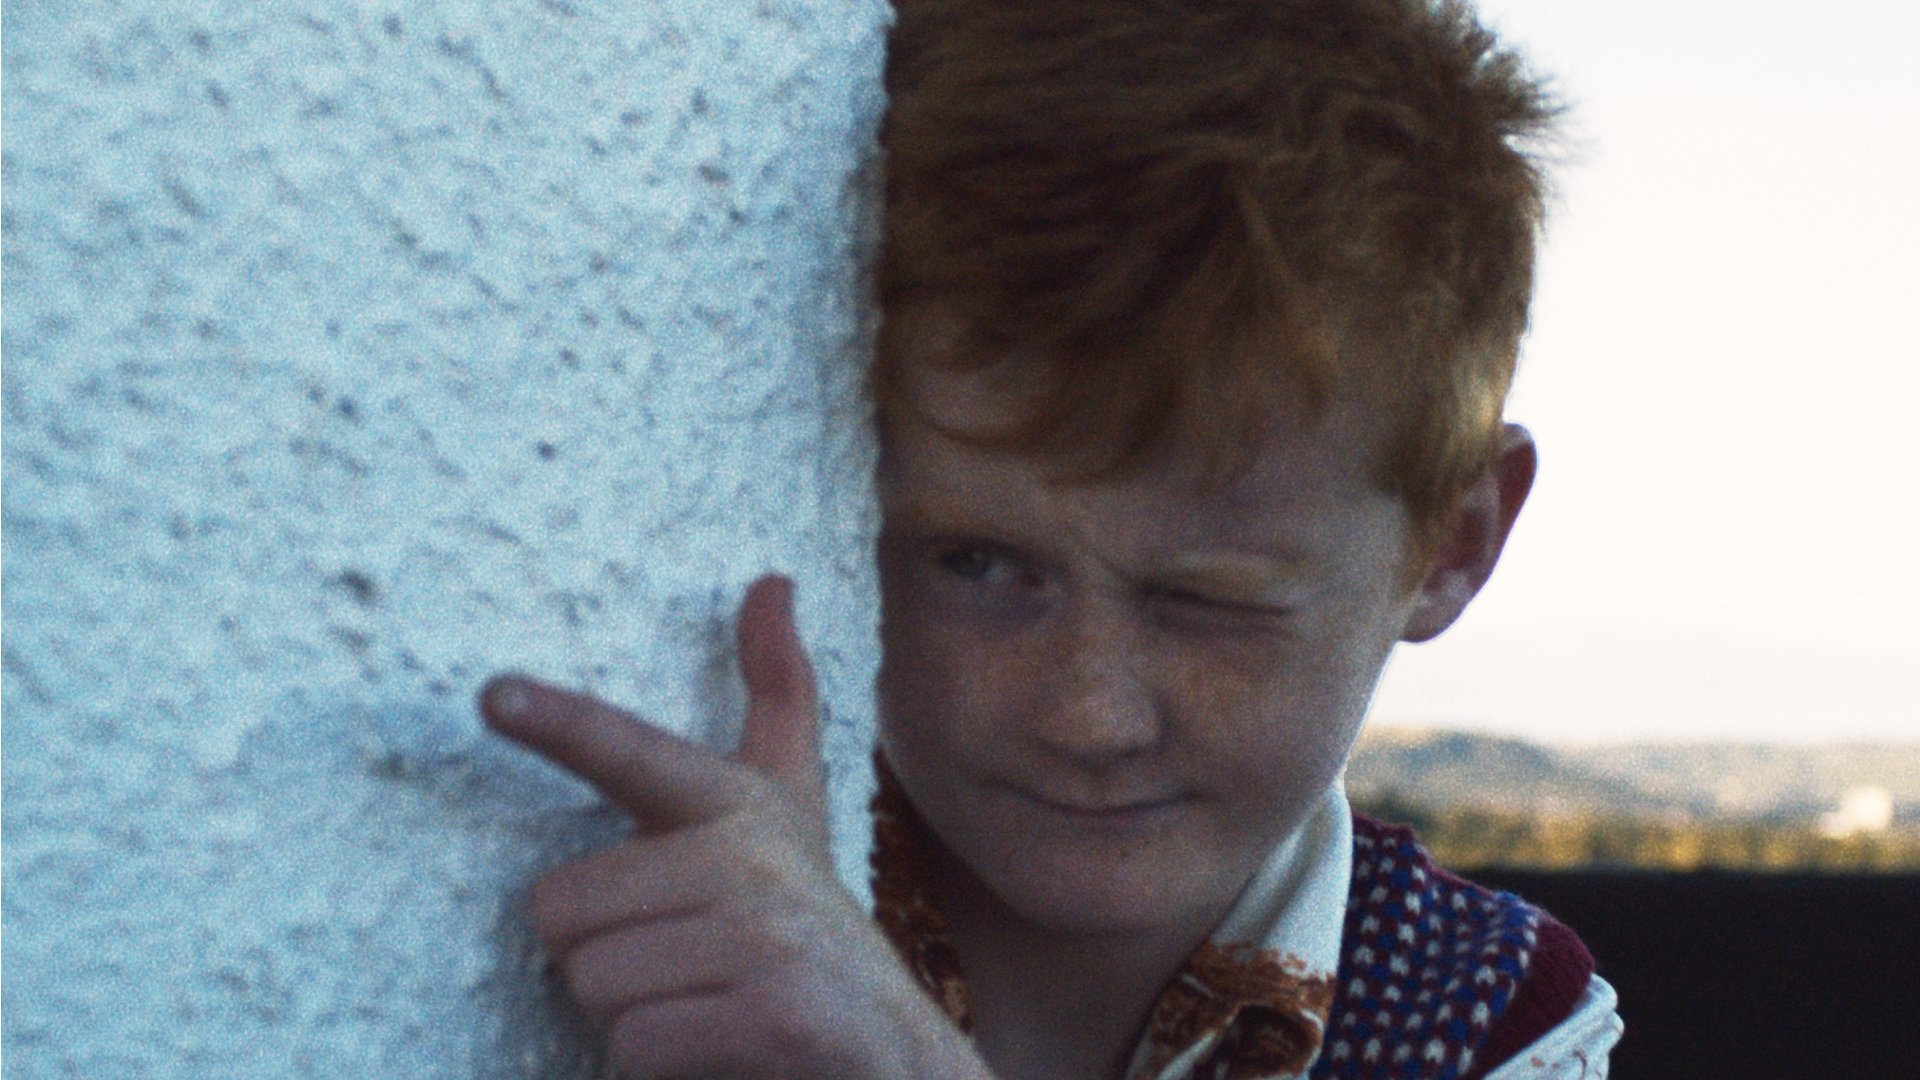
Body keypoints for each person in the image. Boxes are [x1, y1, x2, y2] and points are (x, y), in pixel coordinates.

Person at [478, 1, 1624, 1077]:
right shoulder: (722, 899)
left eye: (1209, 597)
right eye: (975, 564)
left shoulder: (1489, 1016)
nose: (1089, 716)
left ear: (1453, 542)